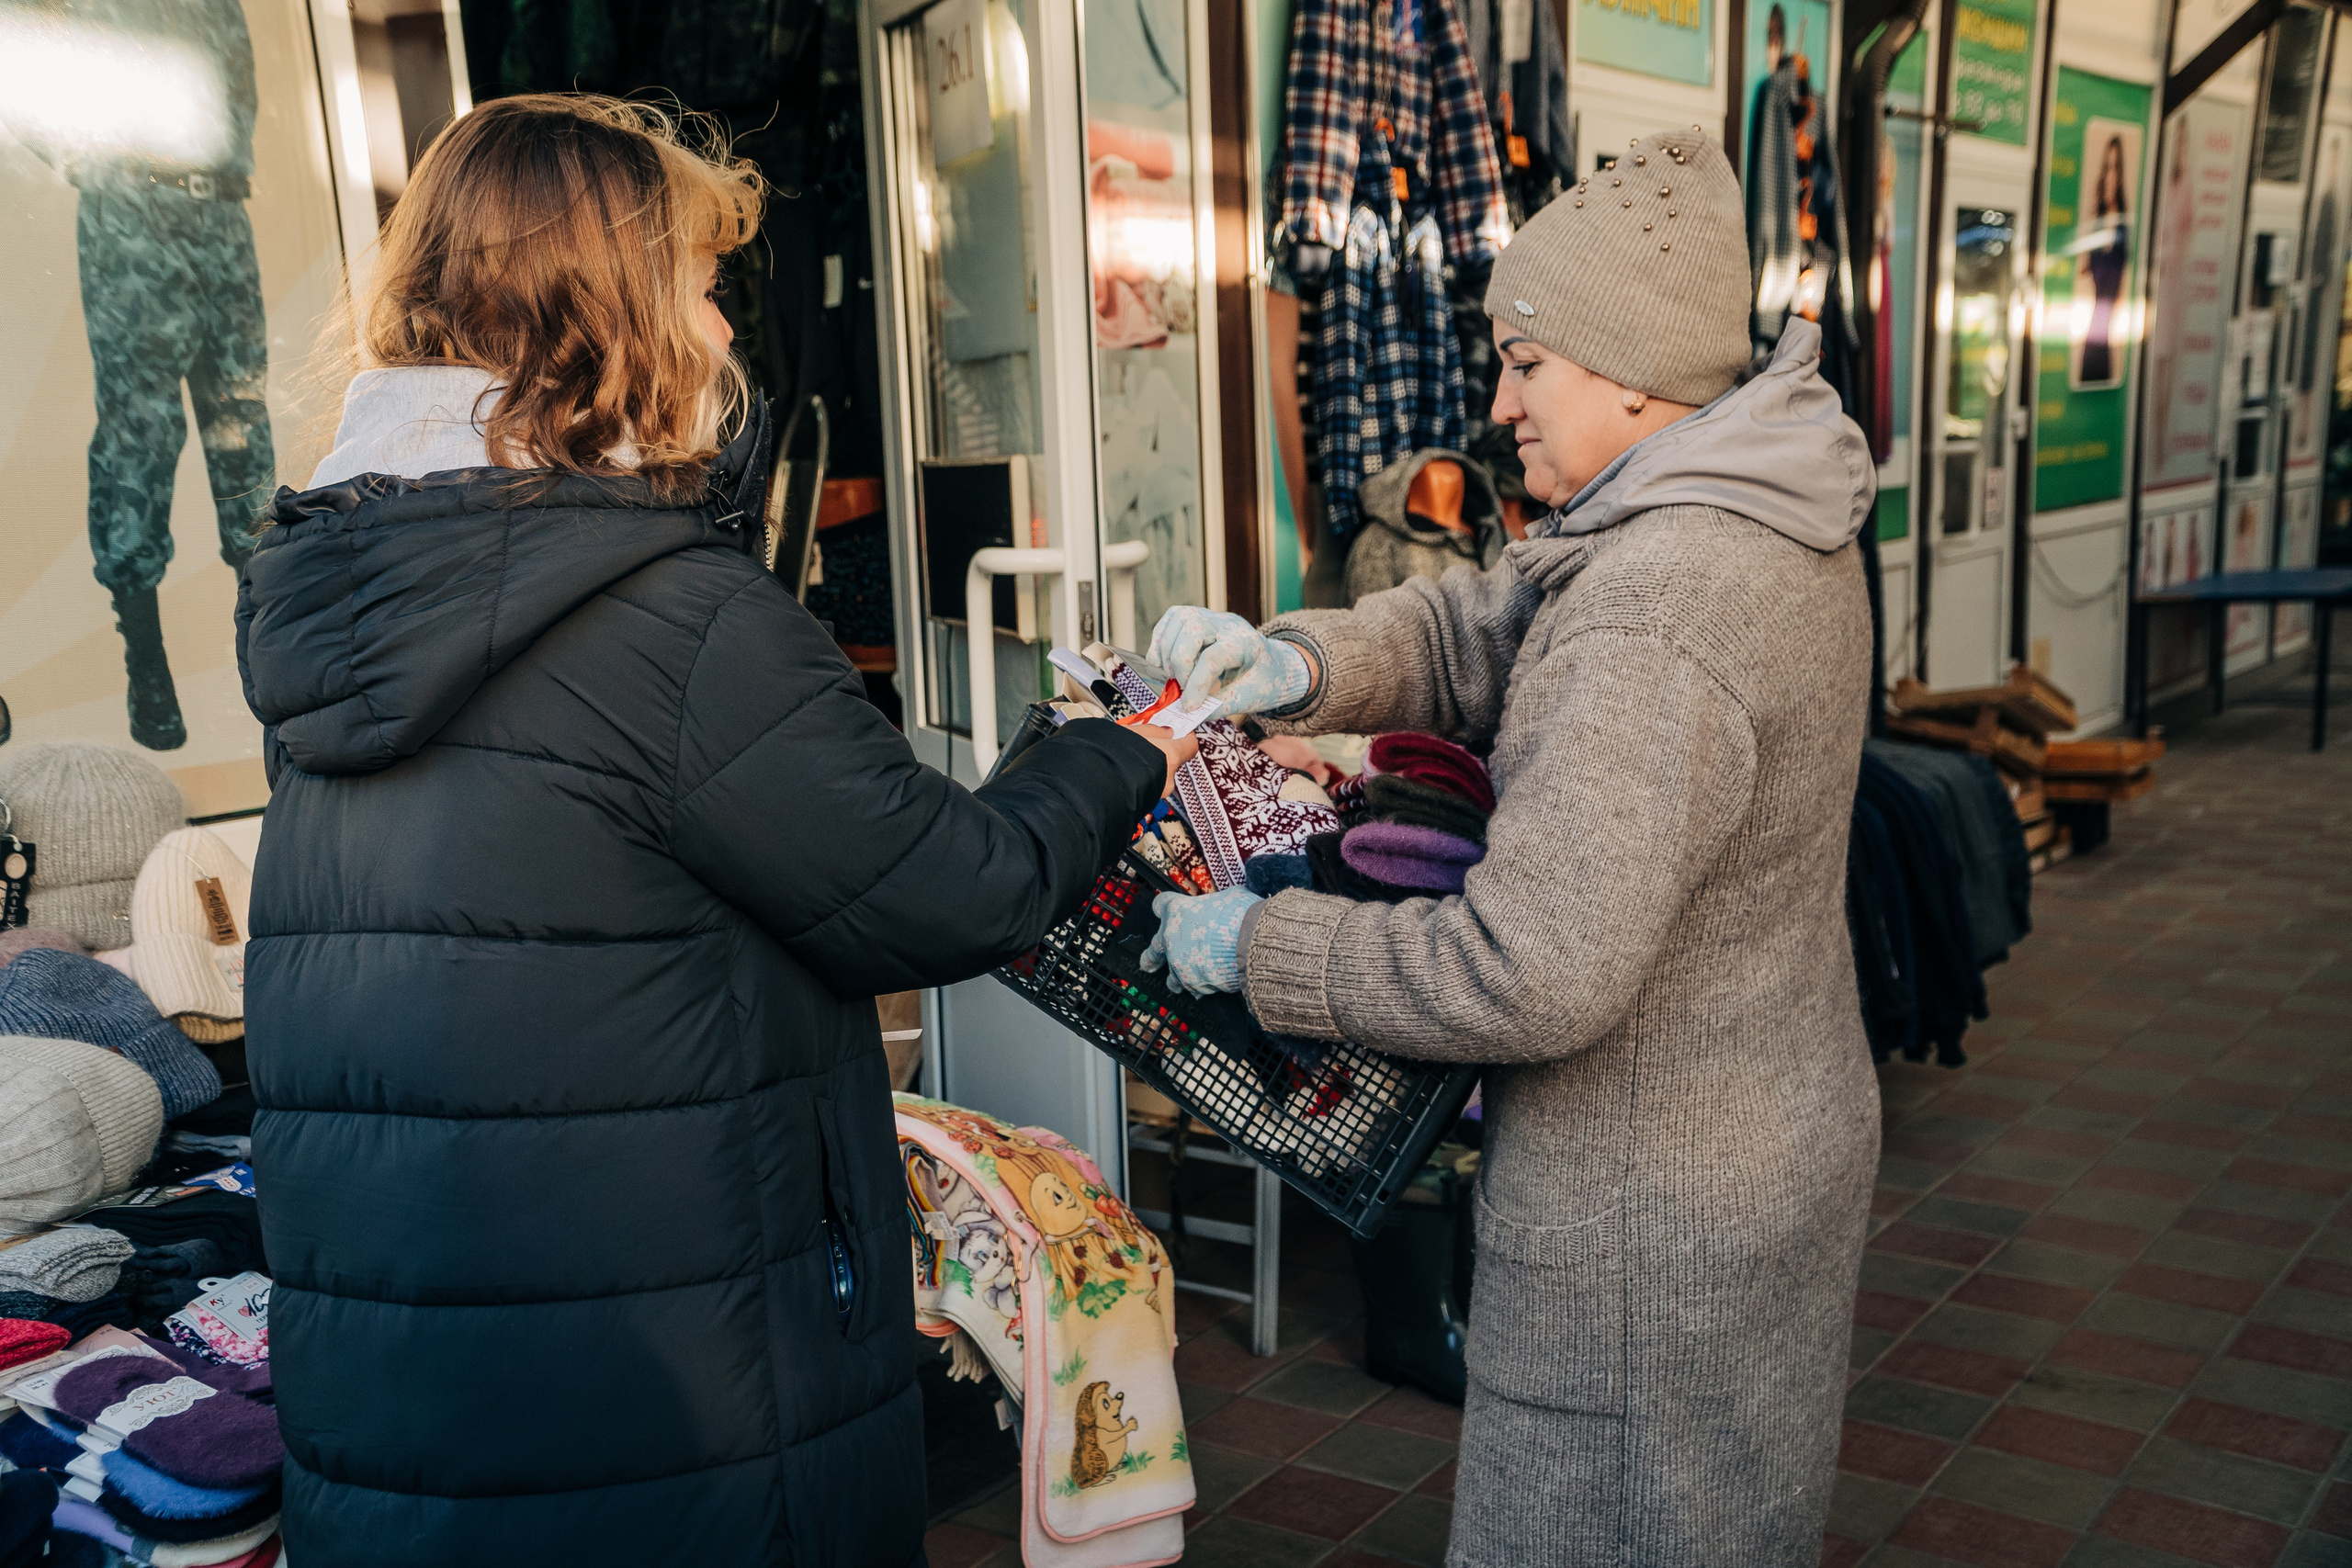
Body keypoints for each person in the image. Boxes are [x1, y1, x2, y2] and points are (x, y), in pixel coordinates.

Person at [235, 96, 1193, 1567]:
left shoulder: (341, 601)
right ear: (612, 316)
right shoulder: (672, 622)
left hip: (410, 1420)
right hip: (671, 1408)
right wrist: (1120, 740)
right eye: (696, 286)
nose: (725, 334)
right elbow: (957, 890)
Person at [1142, 127, 1879, 1564]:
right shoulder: (1734, 500)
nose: (1500, 401)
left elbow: (1529, 970)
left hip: (1645, 1232)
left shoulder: (1660, 605)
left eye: (1526, 364)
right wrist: (1295, 661)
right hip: (1754, 1146)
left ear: (1624, 368)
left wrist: (1263, 947)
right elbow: (1483, 623)